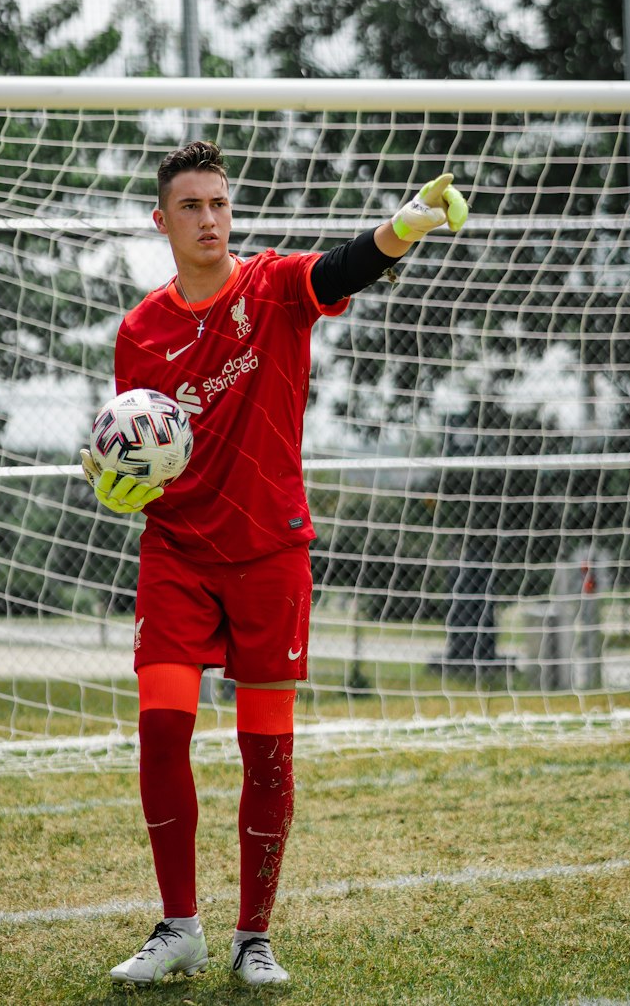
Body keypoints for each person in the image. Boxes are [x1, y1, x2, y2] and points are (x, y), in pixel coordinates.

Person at [81, 141, 468, 987]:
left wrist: (406, 223)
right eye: (190, 206)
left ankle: (253, 936)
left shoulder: (274, 286)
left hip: (270, 547)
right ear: (162, 221)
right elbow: (141, 450)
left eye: (218, 203)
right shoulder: (139, 331)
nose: (209, 219)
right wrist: (115, 475)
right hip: (178, 550)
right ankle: (178, 925)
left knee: (267, 752)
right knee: (161, 728)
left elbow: (347, 266)